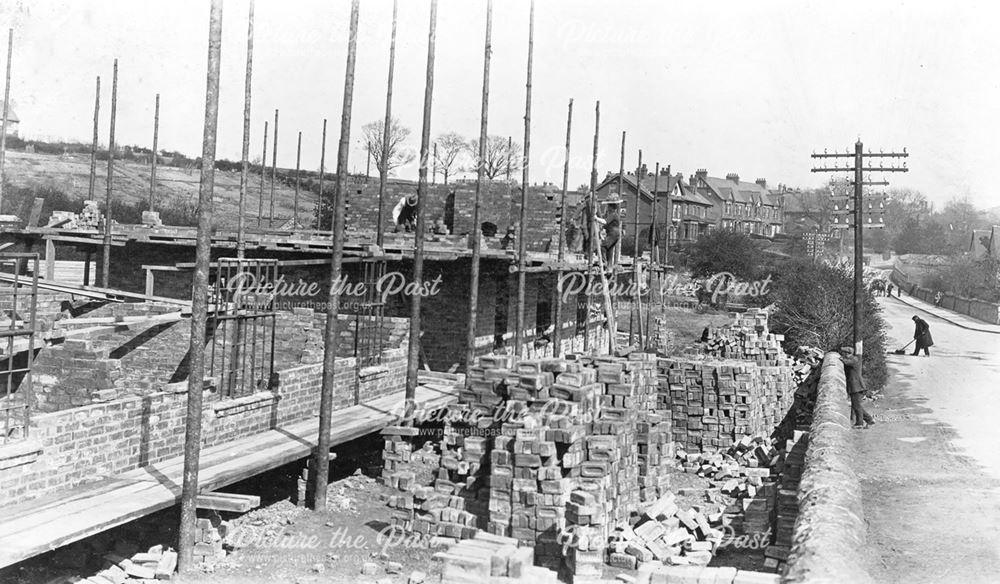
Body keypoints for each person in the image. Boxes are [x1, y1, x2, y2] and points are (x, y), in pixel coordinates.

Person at [840, 346, 874, 428]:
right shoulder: (852, 359)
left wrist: (840, 359)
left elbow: (846, 362)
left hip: (856, 387)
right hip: (854, 387)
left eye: (844, 353)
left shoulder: (854, 360)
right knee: (856, 405)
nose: (843, 354)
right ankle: (869, 419)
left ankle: (859, 423)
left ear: (848, 353)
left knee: (856, 406)